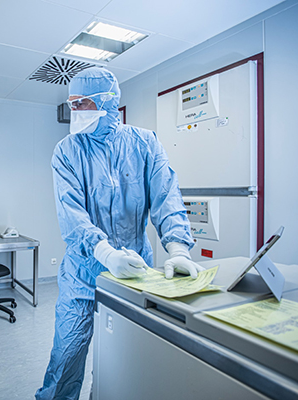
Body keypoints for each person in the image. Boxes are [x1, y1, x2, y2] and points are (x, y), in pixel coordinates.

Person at [35, 67, 204, 400]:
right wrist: (105, 252)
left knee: (122, 362)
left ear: (107, 102)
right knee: (67, 357)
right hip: (83, 274)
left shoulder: (144, 143)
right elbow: (72, 214)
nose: (75, 111)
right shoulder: (67, 151)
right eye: (71, 104)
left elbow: (166, 196)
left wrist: (179, 249)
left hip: (135, 274)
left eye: (82, 103)